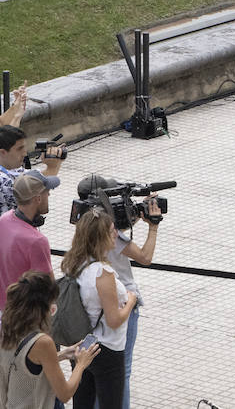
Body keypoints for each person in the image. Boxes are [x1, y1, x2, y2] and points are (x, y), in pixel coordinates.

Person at [74, 173, 161, 408]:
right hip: (117, 308)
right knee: (120, 373)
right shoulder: (106, 260)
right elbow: (145, 257)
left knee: (90, 376)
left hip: (89, 315)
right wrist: (153, 227)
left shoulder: (84, 227)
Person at [62, 210, 139, 409]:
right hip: (108, 348)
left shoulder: (76, 263)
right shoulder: (102, 272)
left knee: (83, 402)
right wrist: (131, 300)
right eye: (112, 231)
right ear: (100, 237)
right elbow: (114, 320)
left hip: (84, 343)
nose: (116, 234)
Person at [0, 271, 100, 408]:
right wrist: (81, 364)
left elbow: (25, 363)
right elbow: (64, 394)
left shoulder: (7, 329)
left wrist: (61, 355)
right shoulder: (42, 342)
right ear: (43, 307)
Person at [0, 171, 58, 310]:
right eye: (47, 192)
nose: (49, 195)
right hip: (25, 316)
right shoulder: (37, 241)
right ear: (38, 199)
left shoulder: (3, 220)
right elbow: (49, 288)